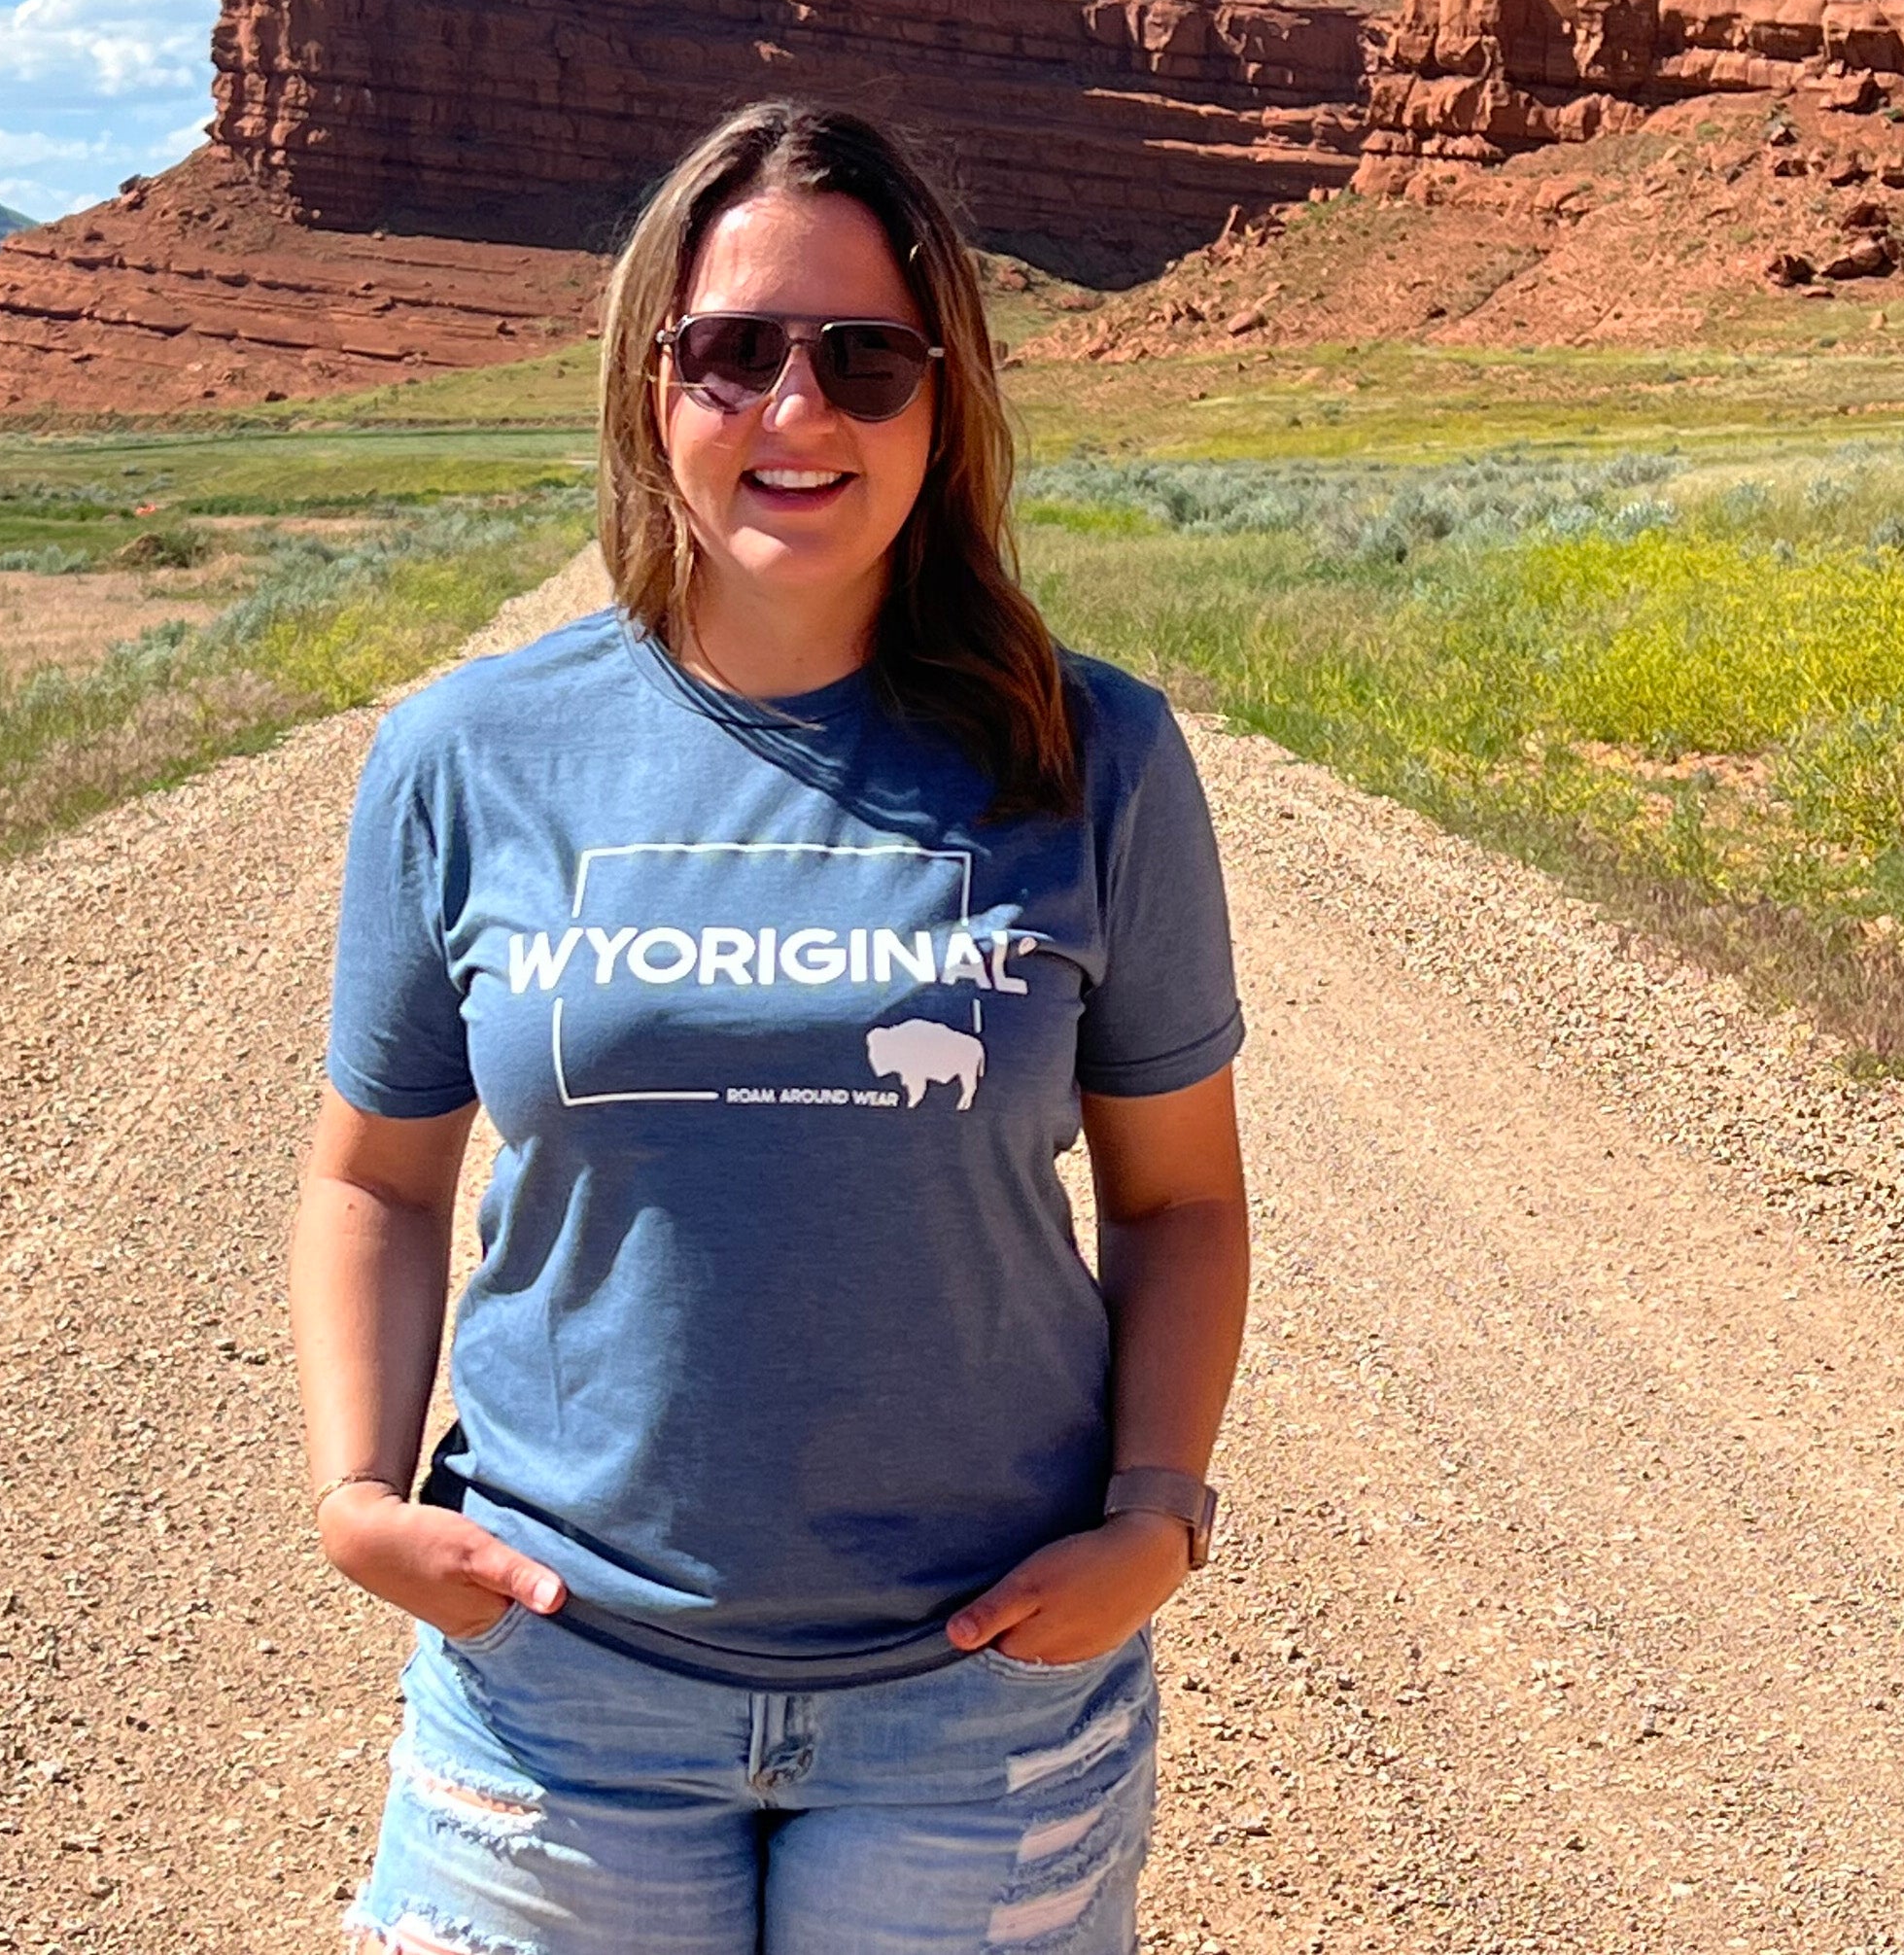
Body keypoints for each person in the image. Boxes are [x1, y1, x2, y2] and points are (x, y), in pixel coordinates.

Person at [288, 100, 1250, 1955]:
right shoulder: (467, 756)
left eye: (866, 358)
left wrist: (1157, 1516)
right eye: (734, 352)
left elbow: (1183, 1202)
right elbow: (374, 1179)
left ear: (945, 396)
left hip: (979, 1699)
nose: (796, 413)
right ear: (652, 383)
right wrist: (355, 1494)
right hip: (559, 1687)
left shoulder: (1093, 755)